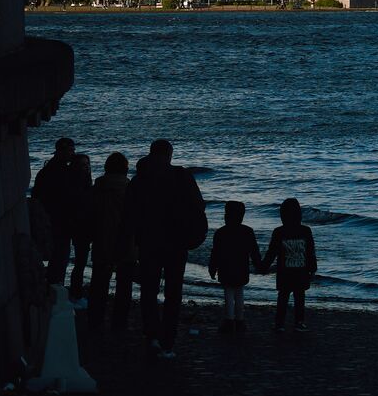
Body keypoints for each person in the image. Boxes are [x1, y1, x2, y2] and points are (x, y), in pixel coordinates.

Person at [124, 139, 208, 358]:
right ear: (169, 154)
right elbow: (198, 206)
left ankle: (152, 334)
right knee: (173, 292)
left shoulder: (138, 180)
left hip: (148, 242)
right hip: (176, 242)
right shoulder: (182, 177)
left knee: (149, 290)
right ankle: (167, 342)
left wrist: (132, 241)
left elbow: (129, 215)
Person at [32, 138, 91, 294]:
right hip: (61, 221)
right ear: (61, 151)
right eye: (70, 150)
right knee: (60, 257)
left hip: (56, 220)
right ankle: (56, 291)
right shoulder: (60, 172)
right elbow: (69, 197)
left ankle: (56, 289)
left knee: (59, 257)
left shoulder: (49, 170)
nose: (72, 154)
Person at [88, 152, 136, 330]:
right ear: (125, 168)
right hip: (126, 242)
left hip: (101, 241)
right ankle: (119, 323)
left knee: (98, 284)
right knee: (124, 286)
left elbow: (90, 216)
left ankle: (95, 320)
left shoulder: (96, 189)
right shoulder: (130, 189)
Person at [263, 198, 317, 332]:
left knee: (283, 296)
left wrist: (263, 266)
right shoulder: (306, 230)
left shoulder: (279, 232)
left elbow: (272, 252)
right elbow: (310, 251)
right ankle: (299, 322)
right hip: (301, 271)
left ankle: (280, 323)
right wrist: (312, 268)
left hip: (284, 272)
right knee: (300, 297)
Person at [208, 201, 261, 334]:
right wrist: (259, 265)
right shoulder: (247, 231)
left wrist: (212, 267)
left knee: (228, 293)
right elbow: (254, 252)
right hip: (241, 269)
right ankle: (240, 320)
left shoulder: (220, 233)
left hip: (226, 269)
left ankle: (229, 320)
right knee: (239, 293)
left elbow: (215, 253)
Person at [67, 153, 95, 304]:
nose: (86, 168)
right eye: (83, 165)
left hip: (81, 227)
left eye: (87, 165)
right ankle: (75, 294)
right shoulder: (79, 184)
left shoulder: (80, 182)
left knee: (79, 261)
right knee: (80, 262)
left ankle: (74, 292)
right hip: (80, 227)